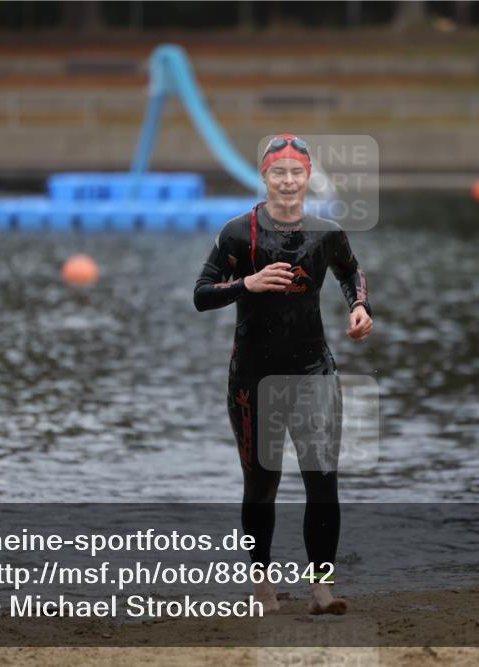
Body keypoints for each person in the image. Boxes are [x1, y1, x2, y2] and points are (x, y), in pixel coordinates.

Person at [194, 134, 373, 615]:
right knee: (261, 485)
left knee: (323, 481)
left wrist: (359, 307)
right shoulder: (238, 233)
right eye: (279, 172)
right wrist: (247, 283)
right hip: (254, 379)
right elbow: (201, 293)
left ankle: (321, 591)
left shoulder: (326, 232)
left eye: (296, 172)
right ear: (265, 176)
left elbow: (350, 271)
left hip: (314, 373)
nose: (288, 181)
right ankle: (263, 588)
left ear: (307, 177)